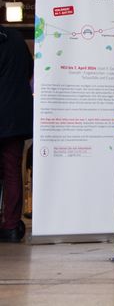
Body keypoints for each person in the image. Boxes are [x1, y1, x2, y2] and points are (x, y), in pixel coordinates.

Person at [0, 17, 33, 243]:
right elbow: (29, 70)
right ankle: (11, 226)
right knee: (12, 171)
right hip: (14, 118)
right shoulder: (15, 38)